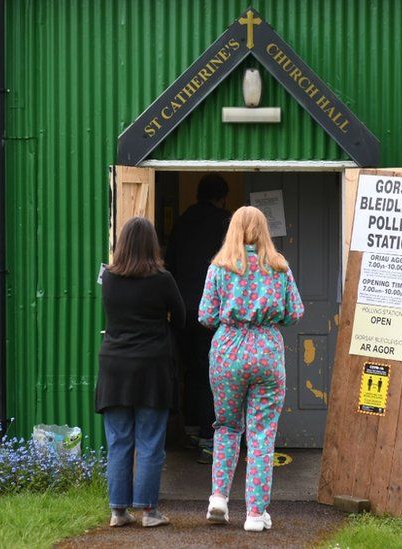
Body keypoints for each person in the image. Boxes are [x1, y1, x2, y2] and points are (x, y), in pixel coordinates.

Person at [197, 206, 304, 532]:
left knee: (227, 427)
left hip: (228, 353)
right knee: (261, 435)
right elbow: (294, 312)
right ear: (263, 230)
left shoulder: (218, 268)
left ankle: (218, 498)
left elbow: (206, 316)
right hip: (267, 354)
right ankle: (255, 514)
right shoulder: (278, 266)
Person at [95, 217, 186, 528]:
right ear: (152, 244)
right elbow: (182, 319)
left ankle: (118, 512)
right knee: (149, 440)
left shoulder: (108, 278)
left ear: (122, 244)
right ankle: (149, 512)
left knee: (118, 441)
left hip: (114, 367)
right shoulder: (163, 279)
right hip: (152, 367)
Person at [164, 173, 231, 463]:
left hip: (182, 309)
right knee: (209, 372)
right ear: (221, 197)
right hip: (211, 310)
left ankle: (190, 429)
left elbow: (172, 265)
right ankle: (208, 437)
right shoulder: (225, 223)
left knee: (190, 368)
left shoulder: (182, 221)